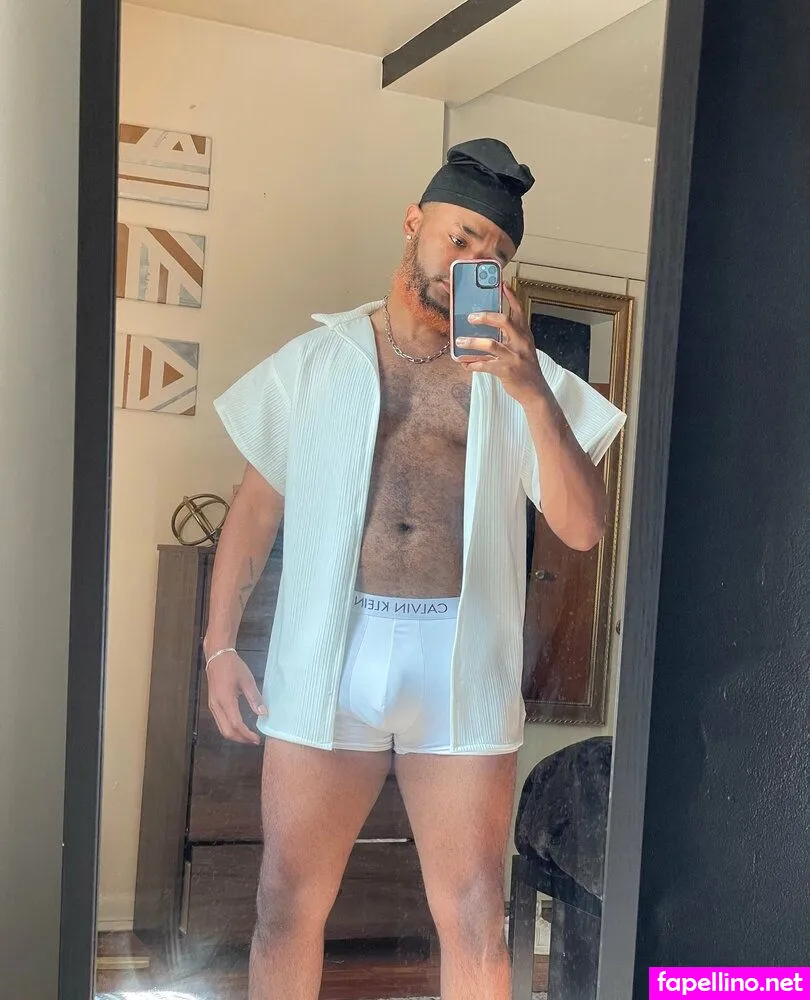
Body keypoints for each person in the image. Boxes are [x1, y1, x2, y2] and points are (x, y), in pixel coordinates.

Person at [204, 137, 626, 1000]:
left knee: (473, 915)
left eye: (493, 254)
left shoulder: (521, 375)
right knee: (285, 904)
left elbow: (583, 529)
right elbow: (254, 509)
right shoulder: (318, 360)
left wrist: (530, 389)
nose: (471, 261)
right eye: (459, 237)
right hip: (330, 653)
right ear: (414, 223)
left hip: (458, 663)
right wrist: (218, 647)